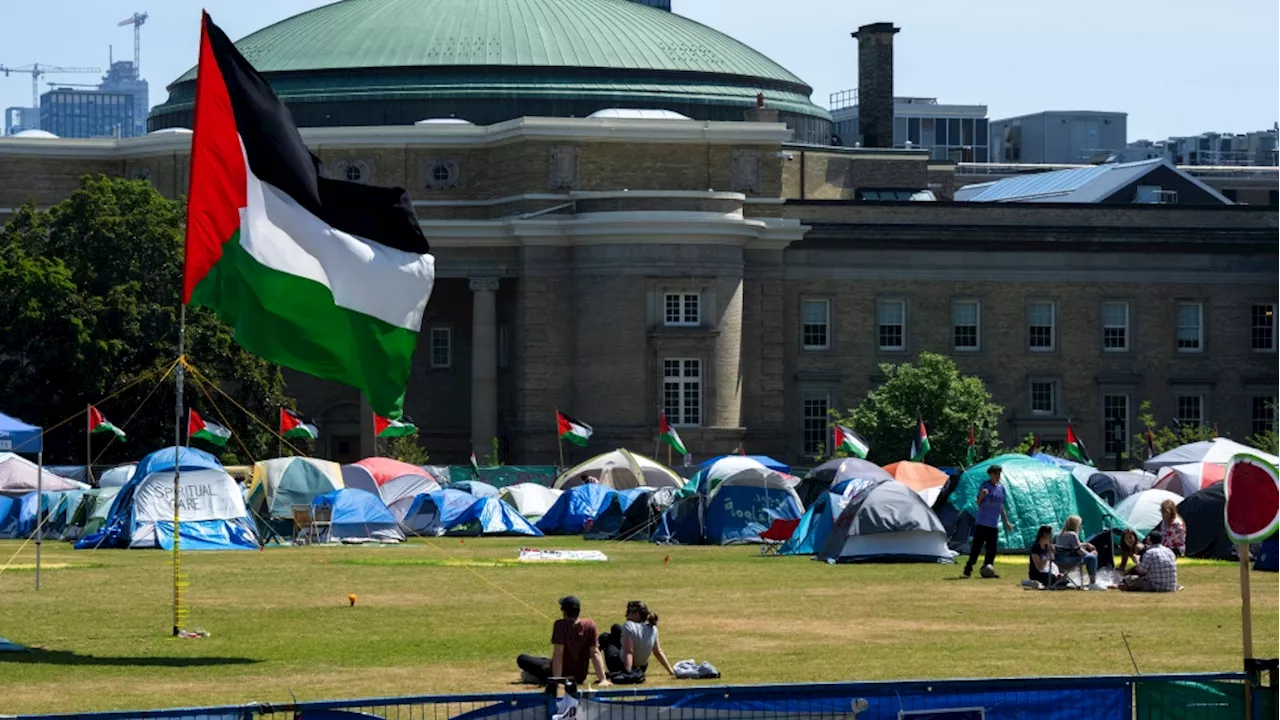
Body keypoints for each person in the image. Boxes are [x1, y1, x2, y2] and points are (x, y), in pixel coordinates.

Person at [517, 596, 611, 687]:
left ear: (564, 611)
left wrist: (557, 680)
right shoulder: (590, 625)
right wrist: (603, 679)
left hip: (562, 675)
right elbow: (595, 653)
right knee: (544, 661)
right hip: (579, 677)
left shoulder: (560, 625)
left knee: (522, 659)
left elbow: (558, 654)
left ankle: (531, 677)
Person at [601, 601, 675, 680]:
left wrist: (628, 672)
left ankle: (593, 661)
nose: (626, 615)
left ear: (636, 614)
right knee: (616, 628)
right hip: (641, 668)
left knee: (605, 637)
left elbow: (629, 652)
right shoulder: (653, 628)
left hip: (621, 665)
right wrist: (670, 670)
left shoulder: (628, 626)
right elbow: (658, 652)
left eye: (629, 612)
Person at [964, 464, 1013, 579]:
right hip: (982, 523)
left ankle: (987, 569)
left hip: (993, 524)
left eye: (999, 474)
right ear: (990, 474)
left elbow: (1001, 506)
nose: (998, 476)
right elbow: (978, 503)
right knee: (976, 548)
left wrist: (1006, 522)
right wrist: (981, 495)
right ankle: (968, 569)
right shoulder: (984, 486)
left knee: (992, 550)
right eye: (995, 474)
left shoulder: (1001, 488)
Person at [1056, 515, 1103, 589]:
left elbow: (1070, 546)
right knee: (1091, 558)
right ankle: (1092, 583)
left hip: (1059, 561)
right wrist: (1091, 554)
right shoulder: (1073, 535)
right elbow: (1079, 550)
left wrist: (1086, 544)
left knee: (1089, 556)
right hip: (1068, 561)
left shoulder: (1060, 534)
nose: (1081, 526)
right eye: (1080, 524)